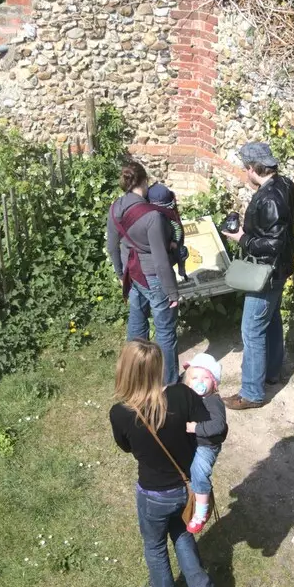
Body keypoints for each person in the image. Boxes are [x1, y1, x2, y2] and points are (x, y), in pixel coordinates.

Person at [109, 340, 216, 587]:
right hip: (184, 488)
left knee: (155, 547)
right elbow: (205, 429)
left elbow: (127, 448)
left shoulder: (121, 414)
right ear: (159, 368)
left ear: (126, 371)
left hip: (153, 494)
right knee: (181, 534)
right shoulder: (182, 395)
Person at [227, 141, 294, 410]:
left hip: (266, 272)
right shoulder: (286, 184)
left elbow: (272, 244)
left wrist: (241, 238)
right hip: (280, 269)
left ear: (251, 168)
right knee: (270, 320)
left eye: (244, 168)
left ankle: (251, 393)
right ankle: (271, 373)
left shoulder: (269, 198)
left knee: (252, 330)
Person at [106, 161, 181, 385]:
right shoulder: (152, 216)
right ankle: (169, 382)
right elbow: (160, 260)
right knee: (165, 330)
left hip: (132, 273)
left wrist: (121, 275)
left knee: (137, 323)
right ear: (144, 181)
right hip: (153, 277)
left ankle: (132, 374)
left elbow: (112, 246)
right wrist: (173, 293)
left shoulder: (115, 207)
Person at [181, 352, 227, 534]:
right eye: (194, 377)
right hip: (194, 442)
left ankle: (200, 512)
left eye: (206, 378)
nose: (200, 381)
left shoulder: (213, 401)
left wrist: (196, 428)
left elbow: (218, 425)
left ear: (214, 383)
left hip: (206, 445)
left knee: (199, 472)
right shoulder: (190, 397)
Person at [146, 182, 192, 282]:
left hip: (172, 244)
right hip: (162, 245)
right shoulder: (169, 207)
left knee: (180, 254)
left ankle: (182, 271)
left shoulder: (168, 214)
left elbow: (177, 228)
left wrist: (175, 241)